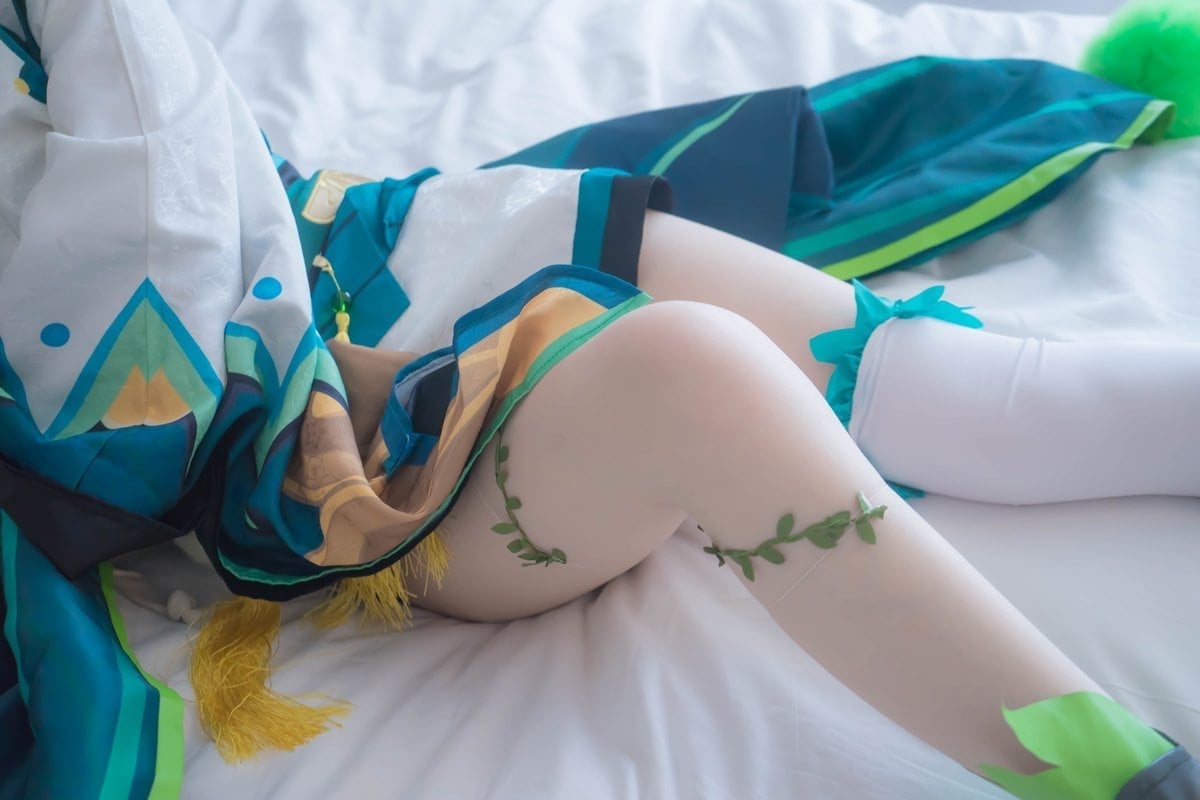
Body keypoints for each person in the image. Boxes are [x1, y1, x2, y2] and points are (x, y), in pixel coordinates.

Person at [1, 0, 1197, 798]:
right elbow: (146, 284)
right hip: (299, 453)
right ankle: (1130, 777)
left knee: (948, 381)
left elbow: (210, 173)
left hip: (379, 241)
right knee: (700, 377)